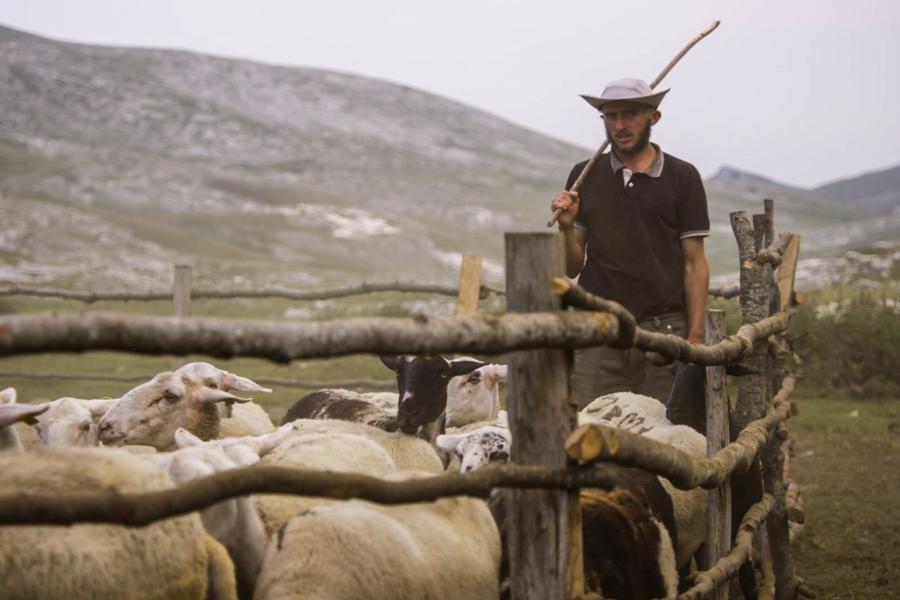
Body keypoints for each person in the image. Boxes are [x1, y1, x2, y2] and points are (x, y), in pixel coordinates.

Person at [550, 78, 710, 409]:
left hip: (665, 330)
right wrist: (565, 228)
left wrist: (694, 337)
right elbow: (571, 267)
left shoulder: (683, 176)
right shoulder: (585, 175)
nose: (620, 125)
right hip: (598, 329)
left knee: (663, 430)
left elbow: (694, 263)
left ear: (654, 117)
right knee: (593, 426)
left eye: (630, 114)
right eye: (611, 116)